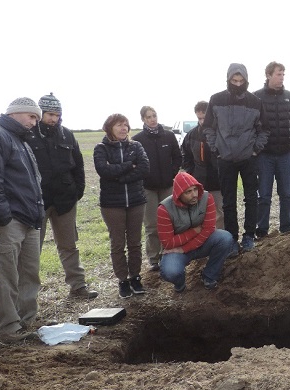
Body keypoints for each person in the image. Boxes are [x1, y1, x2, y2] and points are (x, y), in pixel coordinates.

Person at [0, 98, 44, 342]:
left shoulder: (22, 141)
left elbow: (33, 182)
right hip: (9, 221)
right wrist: (3, 217)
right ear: (15, 113)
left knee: (29, 274)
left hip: (29, 218)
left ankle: (27, 321)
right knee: (6, 276)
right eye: (31, 117)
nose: (35, 122)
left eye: (37, 118)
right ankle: (7, 327)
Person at [25, 93, 97, 299]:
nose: (53, 119)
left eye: (57, 114)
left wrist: (78, 190)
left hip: (65, 200)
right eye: (49, 114)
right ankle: (28, 296)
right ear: (39, 114)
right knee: (31, 250)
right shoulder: (27, 135)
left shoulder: (67, 135)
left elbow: (78, 165)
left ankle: (78, 286)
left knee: (69, 245)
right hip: (37, 201)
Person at [204, 63, 268, 253]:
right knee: (228, 201)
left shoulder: (255, 102)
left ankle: (249, 236)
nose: (238, 84)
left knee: (251, 198)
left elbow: (264, 129)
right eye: (234, 80)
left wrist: (255, 149)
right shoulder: (216, 100)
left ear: (246, 80)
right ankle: (232, 238)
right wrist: (216, 148)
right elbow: (208, 127)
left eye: (241, 81)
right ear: (229, 79)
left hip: (248, 158)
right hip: (225, 159)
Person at [94, 114, 150, 299]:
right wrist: (129, 165)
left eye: (126, 125)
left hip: (136, 200)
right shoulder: (101, 148)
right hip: (112, 204)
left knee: (135, 242)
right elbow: (103, 170)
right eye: (119, 125)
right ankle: (122, 280)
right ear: (110, 127)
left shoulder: (136, 146)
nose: (124, 128)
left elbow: (144, 168)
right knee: (117, 243)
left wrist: (120, 176)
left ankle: (135, 277)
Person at [157, 171, 234, 293]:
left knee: (225, 238)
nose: (194, 195)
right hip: (176, 250)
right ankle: (180, 283)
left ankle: (209, 276)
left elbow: (208, 229)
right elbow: (168, 243)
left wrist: (184, 248)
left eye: (195, 189)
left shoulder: (207, 198)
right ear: (179, 194)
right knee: (171, 271)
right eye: (188, 192)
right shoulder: (164, 209)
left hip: (190, 246)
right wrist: (195, 230)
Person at [253, 61, 290, 238]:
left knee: (286, 194)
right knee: (264, 195)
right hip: (265, 155)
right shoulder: (256, 97)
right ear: (268, 75)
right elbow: (251, 125)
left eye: (283, 74)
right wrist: (256, 148)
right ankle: (262, 230)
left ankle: (286, 228)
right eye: (278, 74)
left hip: (286, 153)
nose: (281, 78)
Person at [133, 106, 182, 271]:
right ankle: (154, 258)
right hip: (148, 188)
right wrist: (143, 177)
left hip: (167, 186)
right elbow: (135, 164)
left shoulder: (168, 136)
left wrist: (171, 174)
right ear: (143, 120)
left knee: (170, 221)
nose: (152, 119)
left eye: (154, 116)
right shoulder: (137, 140)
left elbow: (177, 157)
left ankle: (169, 253)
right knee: (152, 224)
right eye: (148, 117)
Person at [181, 101, 224, 229]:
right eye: (199, 118)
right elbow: (185, 156)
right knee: (199, 214)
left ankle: (221, 241)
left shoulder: (221, 133)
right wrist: (191, 174)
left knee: (220, 213)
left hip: (218, 181)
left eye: (204, 118)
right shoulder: (191, 135)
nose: (202, 121)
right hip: (198, 182)